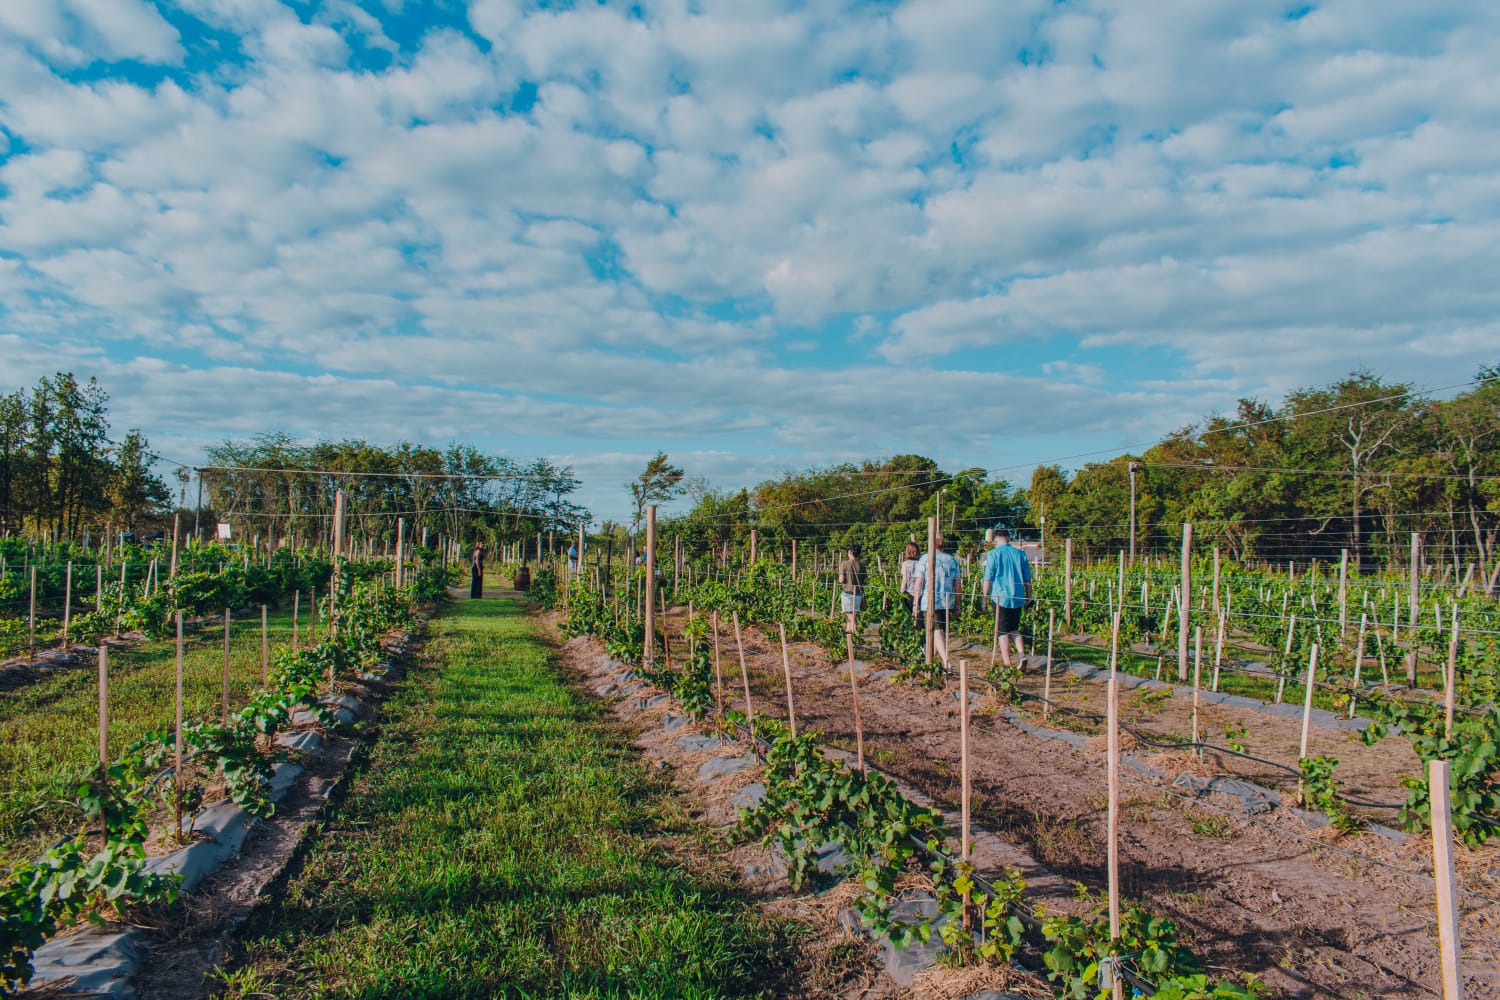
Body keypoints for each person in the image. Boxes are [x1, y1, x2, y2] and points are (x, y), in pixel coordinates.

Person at [909, 533, 962, 670]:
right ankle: (928, 660)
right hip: (947, 601)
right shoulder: (952, 560)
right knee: (939, 631)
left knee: (936, 631)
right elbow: (957, 584)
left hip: (930, 601)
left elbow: (919, 583)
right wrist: (957, 604)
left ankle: (946, 662)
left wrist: (916, 603)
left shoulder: (925, 559)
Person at [981, 527, 1032, 668]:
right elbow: (1027, 579)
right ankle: (1022, 655)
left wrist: (984, 598)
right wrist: (1029, 598)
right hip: (1017, 596)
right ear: (1009, 538)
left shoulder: (993, 554)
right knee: (1014, 628)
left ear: (996, 540)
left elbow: (988, 579)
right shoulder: (1020, 554)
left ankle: (1007, 663)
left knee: (1002, 631)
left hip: (1000, 596)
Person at [837, 543, 866, 635]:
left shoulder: (844, 564)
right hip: (858, 594)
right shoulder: (862, 565)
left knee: (850, 616)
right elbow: (865, 580)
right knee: (853, 615)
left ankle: (853, 634)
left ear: (850, 552)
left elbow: (841, 580)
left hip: (847, 593)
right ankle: (850, 634)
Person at [899, 540, 922, 614]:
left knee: (911, 615)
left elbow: (904, 580)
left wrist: (901, 593)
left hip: (910, 593)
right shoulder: (921, 563)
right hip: (921, 594)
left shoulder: (905, 564)